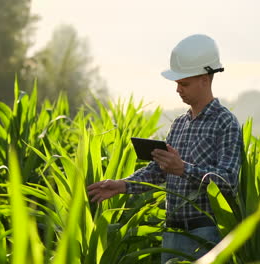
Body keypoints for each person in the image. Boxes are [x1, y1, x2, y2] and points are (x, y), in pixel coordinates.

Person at [87, 34, 242, 263]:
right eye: (177, 83)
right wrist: (122, 185)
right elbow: (158, 170)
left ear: (205, 79)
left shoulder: (225, 123)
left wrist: (184, 169)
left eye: (184, 83)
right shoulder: (179, 123)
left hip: (207, 235)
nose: (178, 89)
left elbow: (229, 181)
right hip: (171, 234)